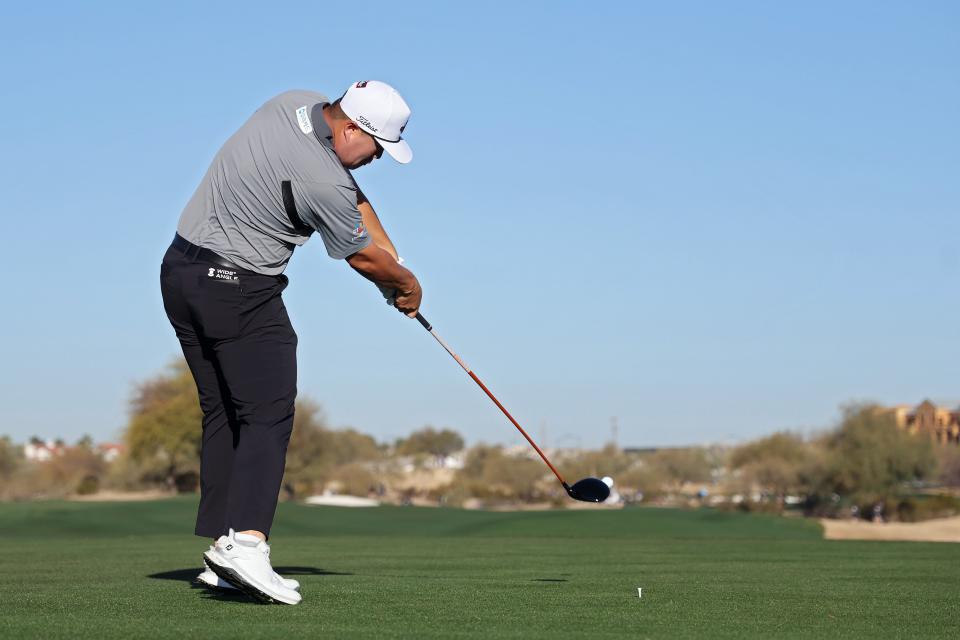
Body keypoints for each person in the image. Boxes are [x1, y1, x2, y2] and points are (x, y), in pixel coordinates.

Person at [159, 81, 421, 605]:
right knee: (268, 412)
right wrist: (407, 284)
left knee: (224, 412)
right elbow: (362, 257)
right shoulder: (322, 181)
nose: (375, 160)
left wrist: (391, 256)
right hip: (238, 288)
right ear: (351, 130)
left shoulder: (292, 102)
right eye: (376, 149)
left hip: (179, 273)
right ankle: (250, 543)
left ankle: (223, 547)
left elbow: (355, 202)